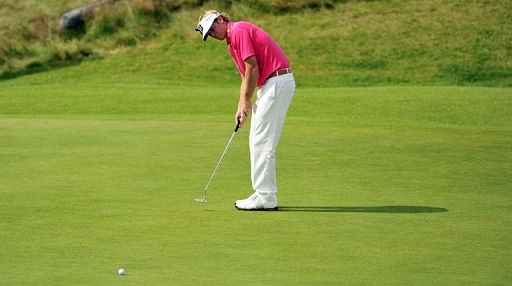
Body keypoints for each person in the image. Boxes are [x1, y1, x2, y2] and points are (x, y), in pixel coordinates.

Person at [195, 10, 296, 211]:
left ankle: (266, 197)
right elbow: (245, 76)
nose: (212, 35)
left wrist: (248, 99)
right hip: (270, 84)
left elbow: (253, 68)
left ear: (221, 20)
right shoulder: (232, 43)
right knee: (257, 139)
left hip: (276, 81)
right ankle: (262, 193)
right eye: (209, 34)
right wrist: (242, 105)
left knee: (262, 140)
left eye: (213, 29)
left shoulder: (239, 30)